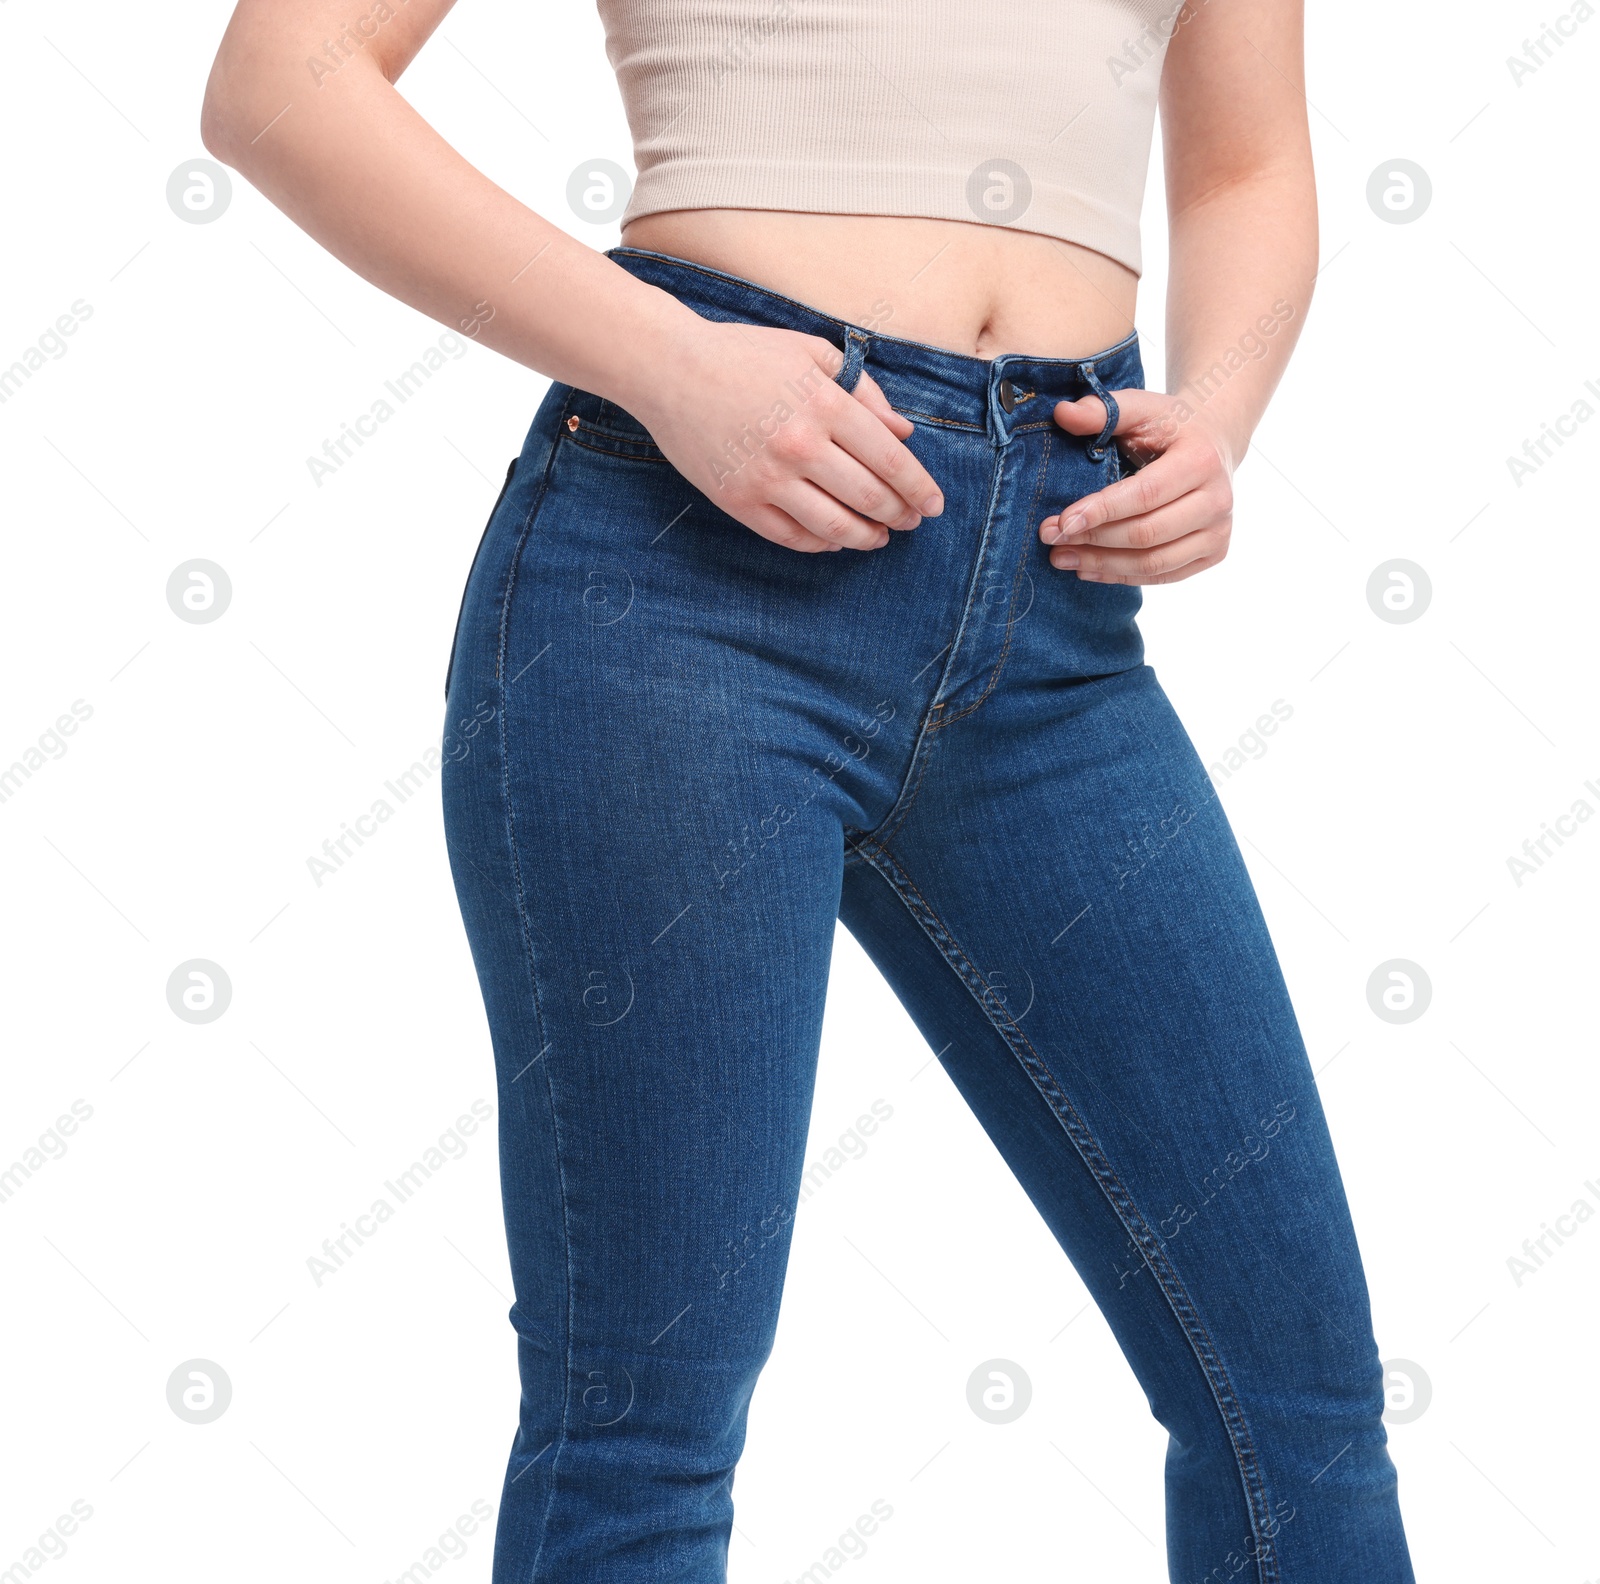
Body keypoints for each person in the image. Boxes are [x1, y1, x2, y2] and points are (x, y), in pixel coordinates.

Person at [201, 2, 1417, 1578]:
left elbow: (1249, 158)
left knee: (1299, 1401)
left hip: (1059, 609)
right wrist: (664, 363)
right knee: (644, 1427)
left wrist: (1221, 415)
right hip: (685, 583)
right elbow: (278, 85)